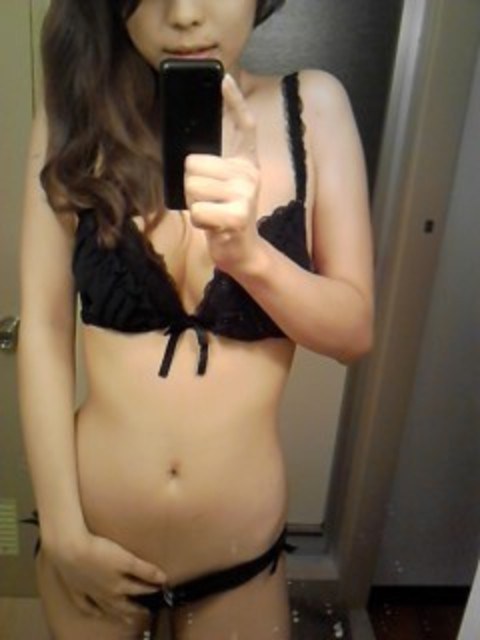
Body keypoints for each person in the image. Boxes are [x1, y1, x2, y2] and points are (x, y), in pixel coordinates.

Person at [17, 0, 374, 638]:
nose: (183, 14)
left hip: (240, 559)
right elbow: (43, 328)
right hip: (93, 542)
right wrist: (65, 532)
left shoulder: (314, 108)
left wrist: (251, 258)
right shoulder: (76, 112)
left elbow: (353, 333)